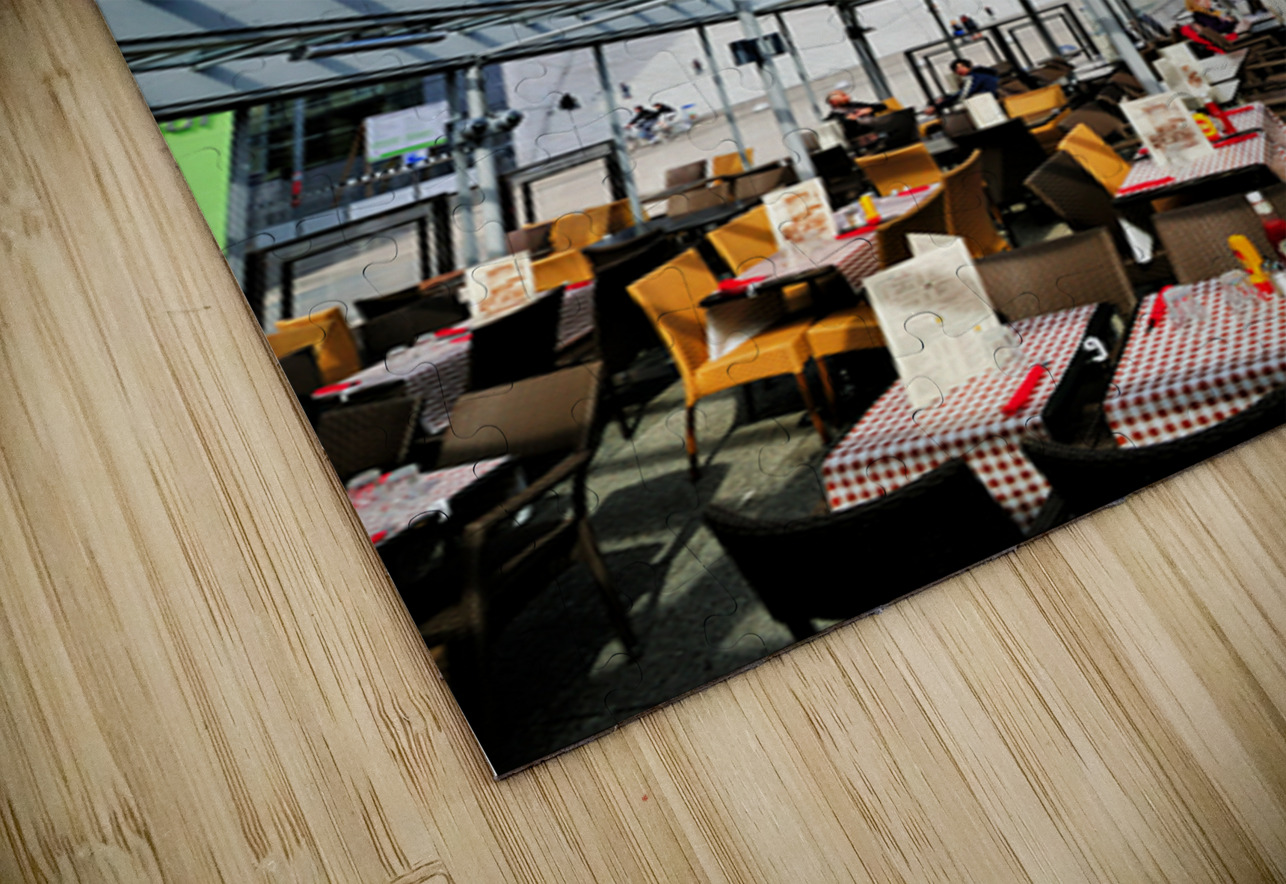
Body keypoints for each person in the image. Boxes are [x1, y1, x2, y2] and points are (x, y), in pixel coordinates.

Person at [922, 58, 1001, 115]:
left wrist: (938, 106)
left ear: (967, 66)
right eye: (956, 70)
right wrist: (946, 98)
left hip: (988, 101)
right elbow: (965, 92)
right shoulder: (982, 73)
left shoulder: (974, 76)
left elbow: (963, 94)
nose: (959, 71)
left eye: (960, 67)